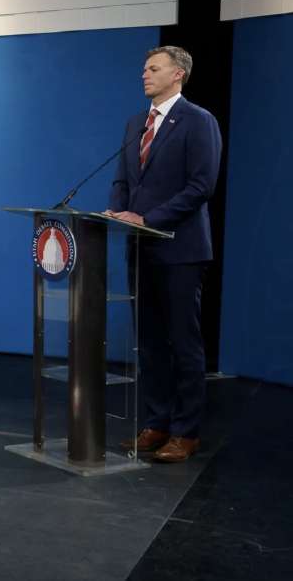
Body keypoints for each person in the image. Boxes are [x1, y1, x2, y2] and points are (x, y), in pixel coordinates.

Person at [106, 46, 222, 463]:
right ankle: (157, 423)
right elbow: (123, 179)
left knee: (183, 342)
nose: (144, 75)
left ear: (178, 75)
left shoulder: (198, 121)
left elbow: (201, 186)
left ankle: (186, 432)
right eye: (143, 69)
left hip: (180, 249)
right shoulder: (137, 123)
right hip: (140, 247)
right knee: (149, 342)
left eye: (153, 68)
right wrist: (119, 212)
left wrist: (148, 217)